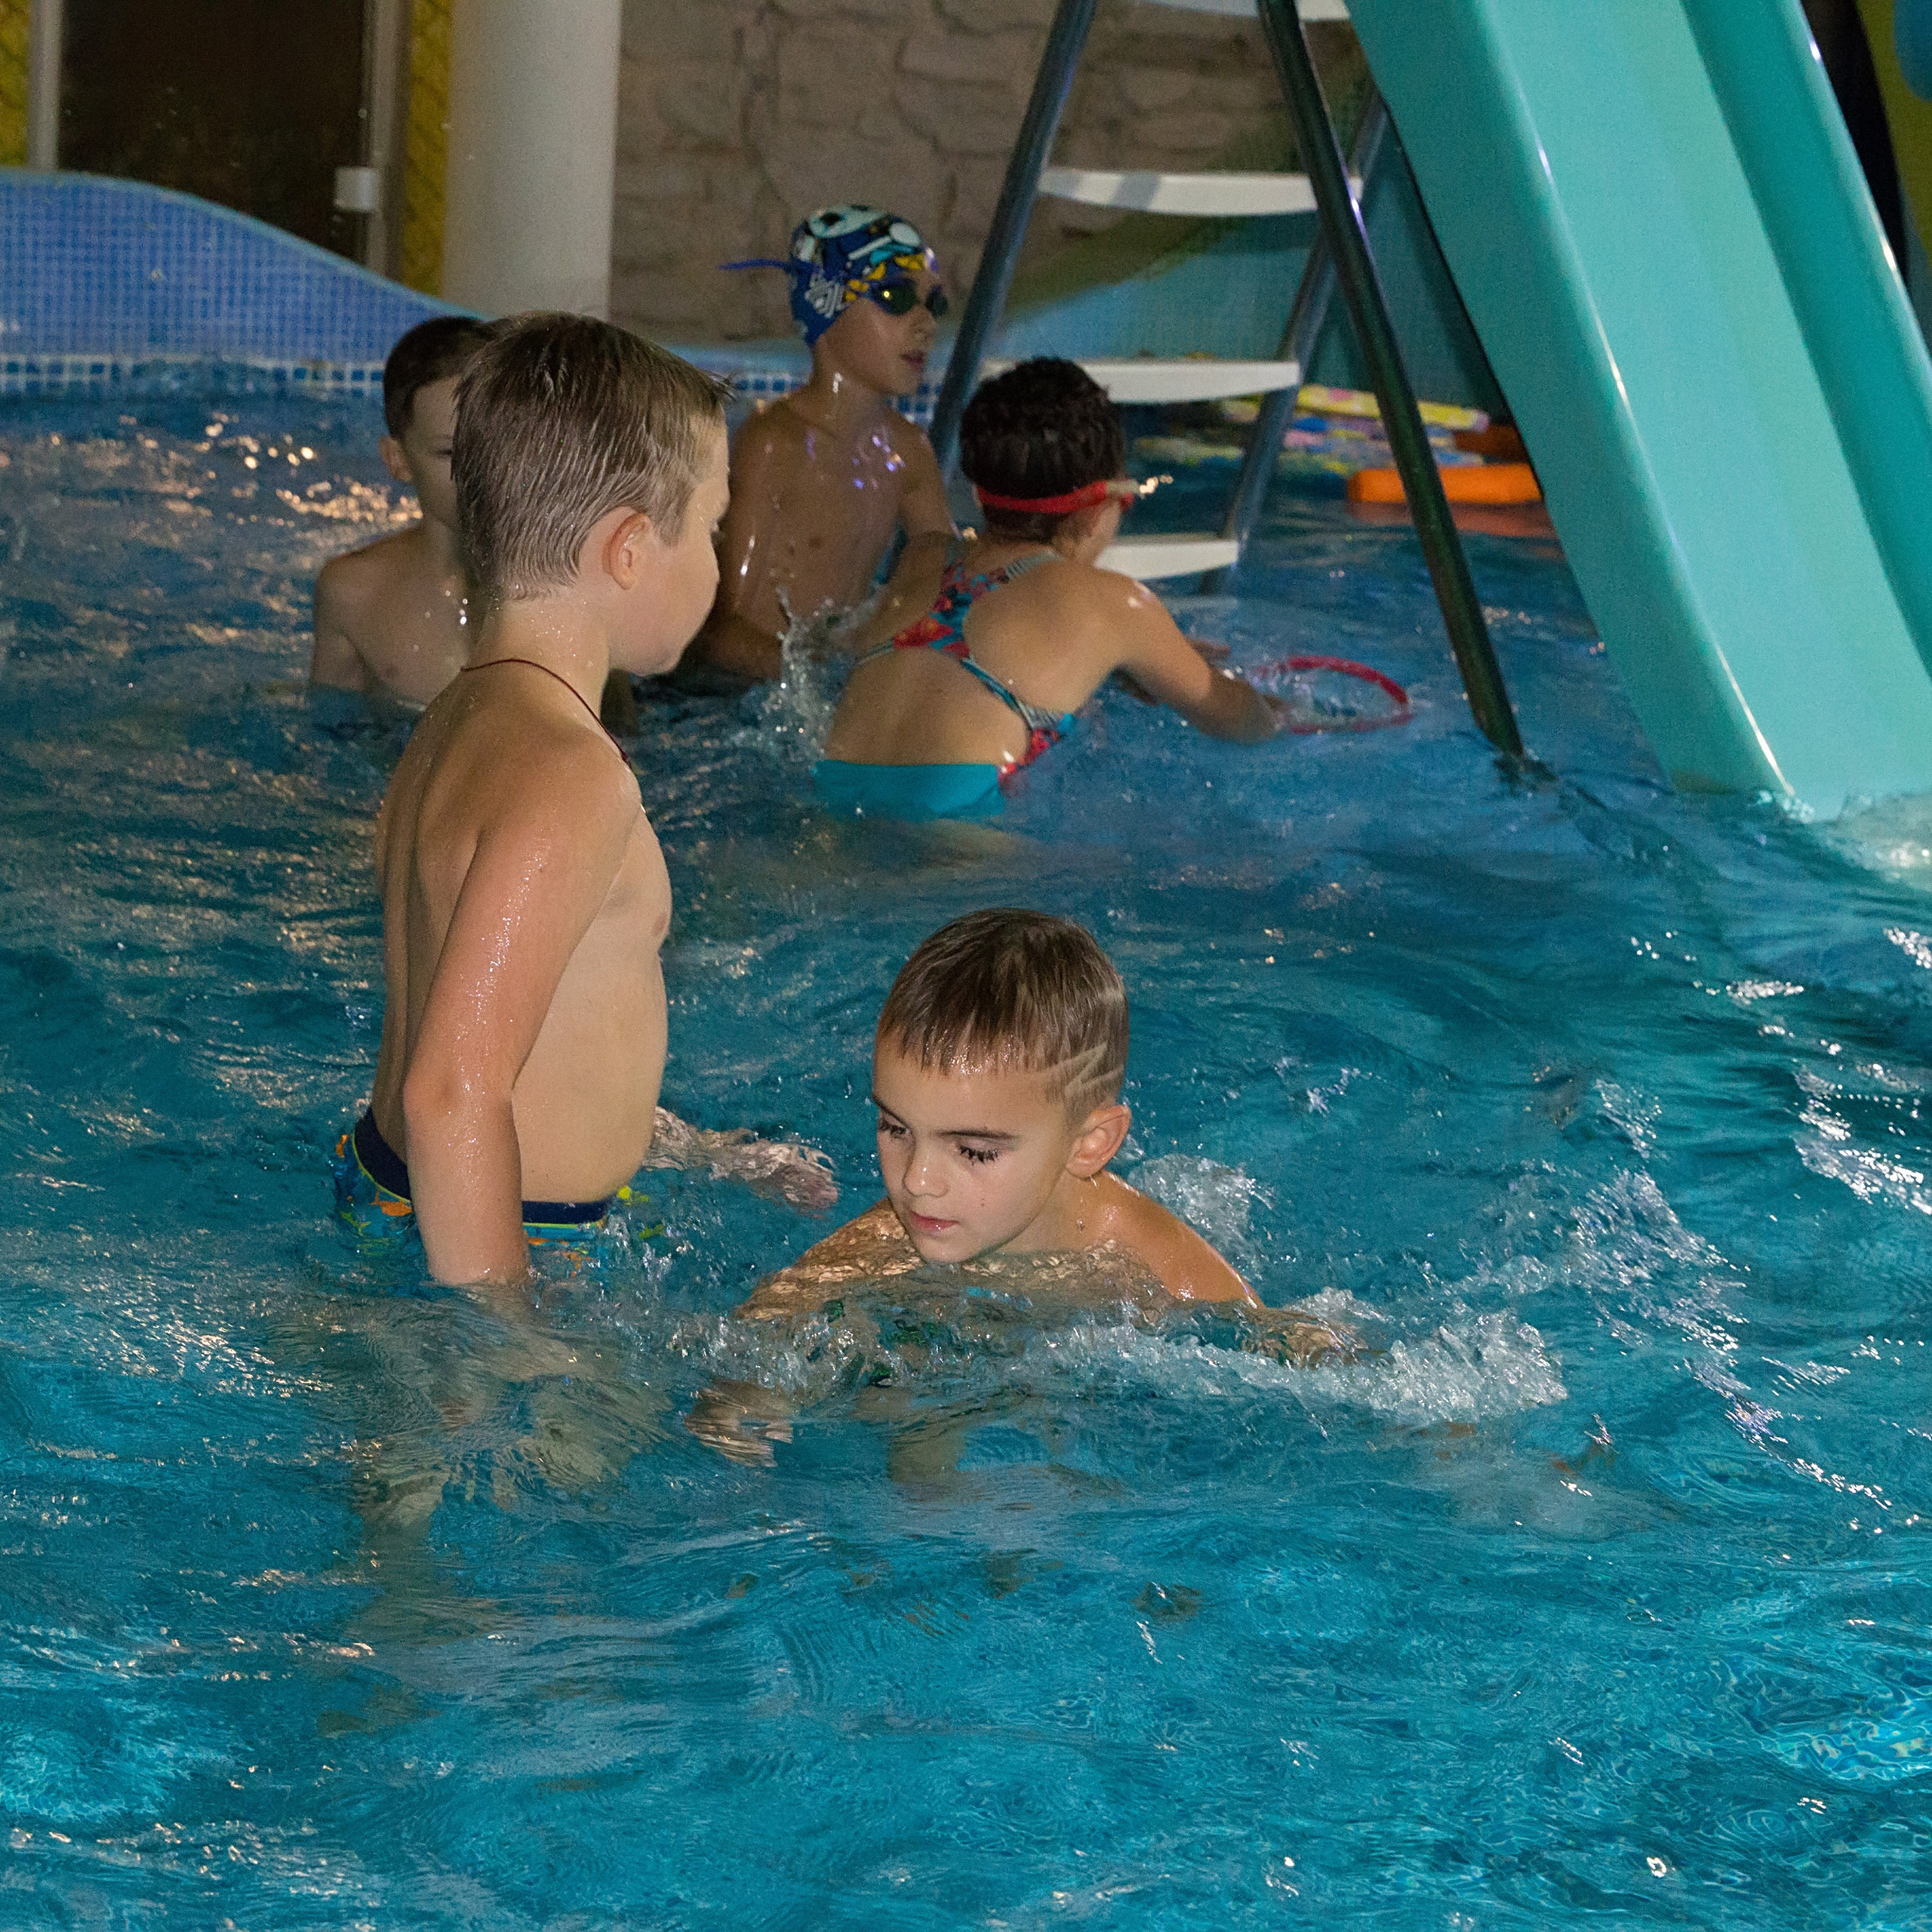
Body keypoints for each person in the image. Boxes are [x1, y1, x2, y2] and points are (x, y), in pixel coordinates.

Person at [332, 315, 832, 1292]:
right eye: (714, 526)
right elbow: (453, 1095)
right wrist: (505, 1339)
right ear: (633, 549)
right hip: (504, 1242)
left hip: (402, 1195)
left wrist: (698, 1149)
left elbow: (535, 1029)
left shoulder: (456, 721)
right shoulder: (572, 773)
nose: (721, 560)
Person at [733, 909, 1346, 1346]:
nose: (917, 1181)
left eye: (972, 1152)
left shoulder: (1144, 1262)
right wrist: (744, 1401)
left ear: (1090, 1145)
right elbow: (768, 1319)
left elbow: (1298, 1351)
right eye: (896, 1129)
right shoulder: (897, 1234)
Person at [812, 358, 1291, 823]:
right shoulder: (1118, 604)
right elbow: (1238, 720)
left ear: (980, 493)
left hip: (831, 799)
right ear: (1095, 509)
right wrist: (1284, 716)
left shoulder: (922, 557)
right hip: (956, 832)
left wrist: (1121, 663)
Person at [681, 206, 955, 684]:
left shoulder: (907, 451)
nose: (926, 324)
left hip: (817, 685)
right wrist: (834, 684)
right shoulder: (773, 445)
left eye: (934, 303)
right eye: (895, 297)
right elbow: (715, 633)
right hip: (732, 699)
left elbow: (945, 567)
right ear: (826, 307)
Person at [309, 315, 498, 709]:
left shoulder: (568, 581)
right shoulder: (354, 594)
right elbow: (325, 737)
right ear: (398, 460)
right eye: (450, 453)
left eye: (495, 443)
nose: (478, 469)